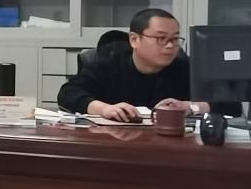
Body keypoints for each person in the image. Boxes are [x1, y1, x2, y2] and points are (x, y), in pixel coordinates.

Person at [57, 8, 227, 121]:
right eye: (161, 38)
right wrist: (104, 109)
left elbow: (229, 104)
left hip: (172, 148)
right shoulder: (108, 64)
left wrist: (191, 107)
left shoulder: (185, 67)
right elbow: (68, 94)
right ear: (134, 39)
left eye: (175, 39)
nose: (170, 46)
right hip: (114, 144)